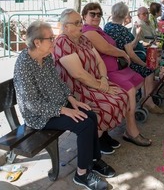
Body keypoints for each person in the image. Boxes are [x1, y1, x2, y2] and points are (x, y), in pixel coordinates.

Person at [13, 20, 115, 190]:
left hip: (57, 104)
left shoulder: (45, 57)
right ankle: (82, 175)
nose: (54, 41)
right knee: (84, 124)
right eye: (50, 38)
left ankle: (93, 160)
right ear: (37, 43)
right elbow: (31, 104)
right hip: (40, 116)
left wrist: (72, 99)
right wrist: (64, 110)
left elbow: (58, 81)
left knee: (90, 114)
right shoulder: (24, 64)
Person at [53, 8, 152, 150]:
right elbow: (78, 74)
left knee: (122, 95)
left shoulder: (83, 39)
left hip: (94, 82)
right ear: (66, 26)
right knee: (108, 104)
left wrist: (104, 79)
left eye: (80, 22)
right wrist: (101, 86)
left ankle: (102, 134)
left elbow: (99, 61)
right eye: (77, 23)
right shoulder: (63, 42)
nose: (81, 25)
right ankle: (94, 147)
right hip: (77, 89)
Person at [88, 2, 163, 114]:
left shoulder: (108, 26)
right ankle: (148, 100)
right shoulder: (122, 30)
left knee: (148, 66)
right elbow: (130, 54)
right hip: (123, 62)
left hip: (118, 59)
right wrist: (144, 64)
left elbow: (126, 46)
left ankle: (146, 97)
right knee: (149, 70)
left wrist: (137, 36)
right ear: (125, 15)